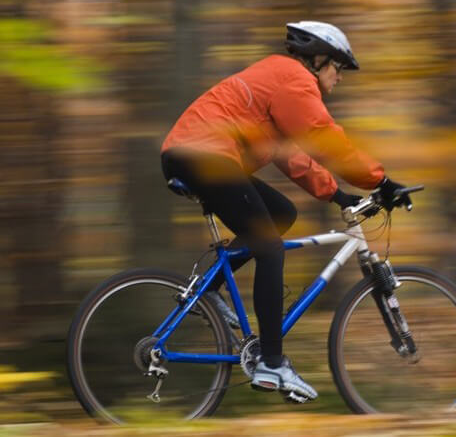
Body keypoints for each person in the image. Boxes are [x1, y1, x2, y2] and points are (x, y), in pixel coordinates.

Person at [160, 21, 407, 402]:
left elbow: (295, 159)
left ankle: (206, 292)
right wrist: (381, 181)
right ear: (319, 59)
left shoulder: (278, 83)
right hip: (205, 155)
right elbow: (325, 140)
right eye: (337, 69)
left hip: (198, 154)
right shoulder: (293, 79)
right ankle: (272, 363)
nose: (338, 79)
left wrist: (339, 197)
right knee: (271, 248)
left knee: (281, 213)